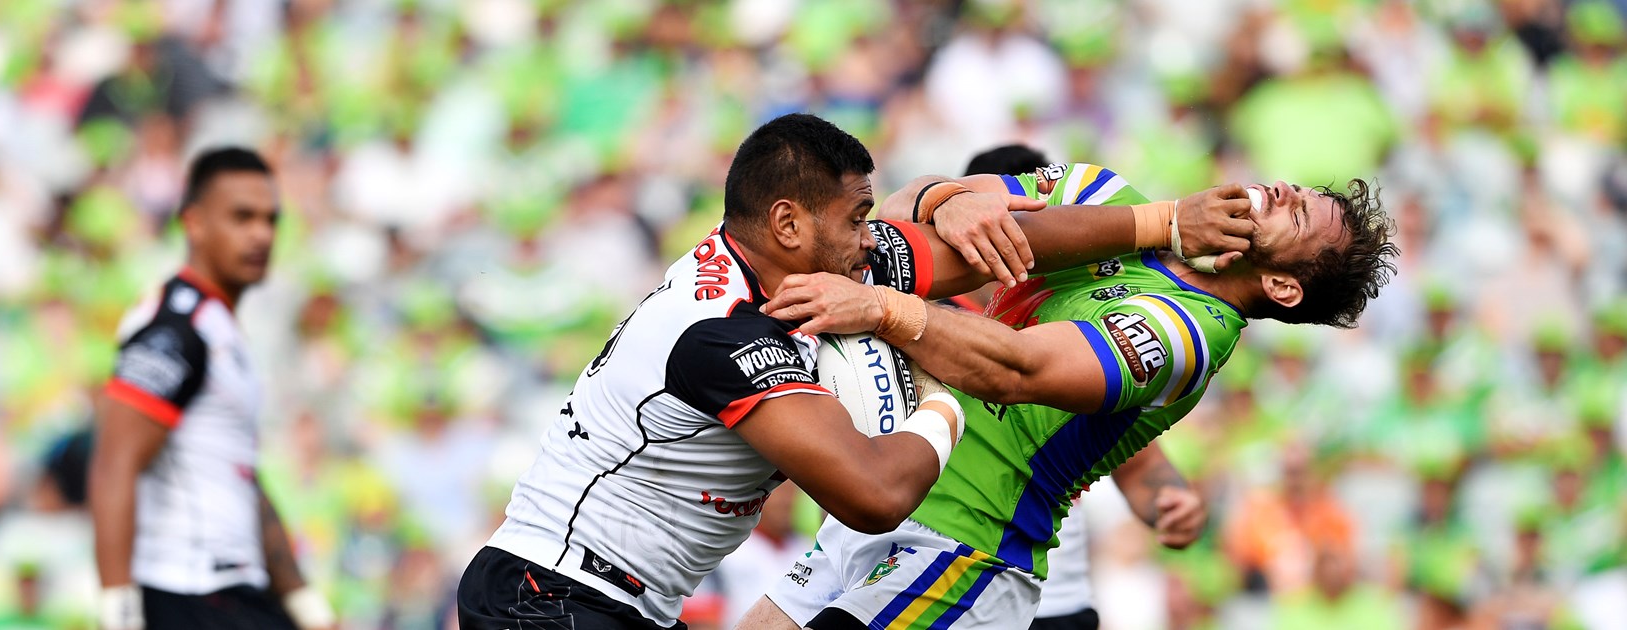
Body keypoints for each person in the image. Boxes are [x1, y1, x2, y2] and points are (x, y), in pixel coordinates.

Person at [457, 113, 1255, 629]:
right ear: (787, 222)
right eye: (858, 218)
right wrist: (942, 395)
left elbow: (980, 252)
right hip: (551, 598)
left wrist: (1163, 222)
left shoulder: (810, 269)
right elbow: (874, 495)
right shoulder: (725, 333)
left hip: (602, 601)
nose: (874, 236)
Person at [744, 163, 1398, 629]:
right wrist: (946, 197)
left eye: (1298, 213)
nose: (1283, 191)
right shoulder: (1105, 193)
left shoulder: (1189, 334)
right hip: (873, 507)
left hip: (963, 549)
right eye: (1297, 189)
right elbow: (894, 218)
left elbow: (1019, 370)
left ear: (1283, 289)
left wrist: (882, 308)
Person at [955, 145, 1209, 630]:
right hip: (944, 574)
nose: (1034, 238)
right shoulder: (932, 324)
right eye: (1018, 220)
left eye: (1047, 220)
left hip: (1055, 603)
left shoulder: (1082, 320)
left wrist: (1171, 501)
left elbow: (1137, 464)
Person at [89, 148, 334, 630]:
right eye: (241, 218)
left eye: (270, 219)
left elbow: (241, 476)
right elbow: (115, 461)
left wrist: (301, 596)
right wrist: (118, 606)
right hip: (188, 591)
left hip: (233, 592)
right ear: (194, 223)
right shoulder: (177, 326)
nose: (261, 234)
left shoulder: (221, 329)